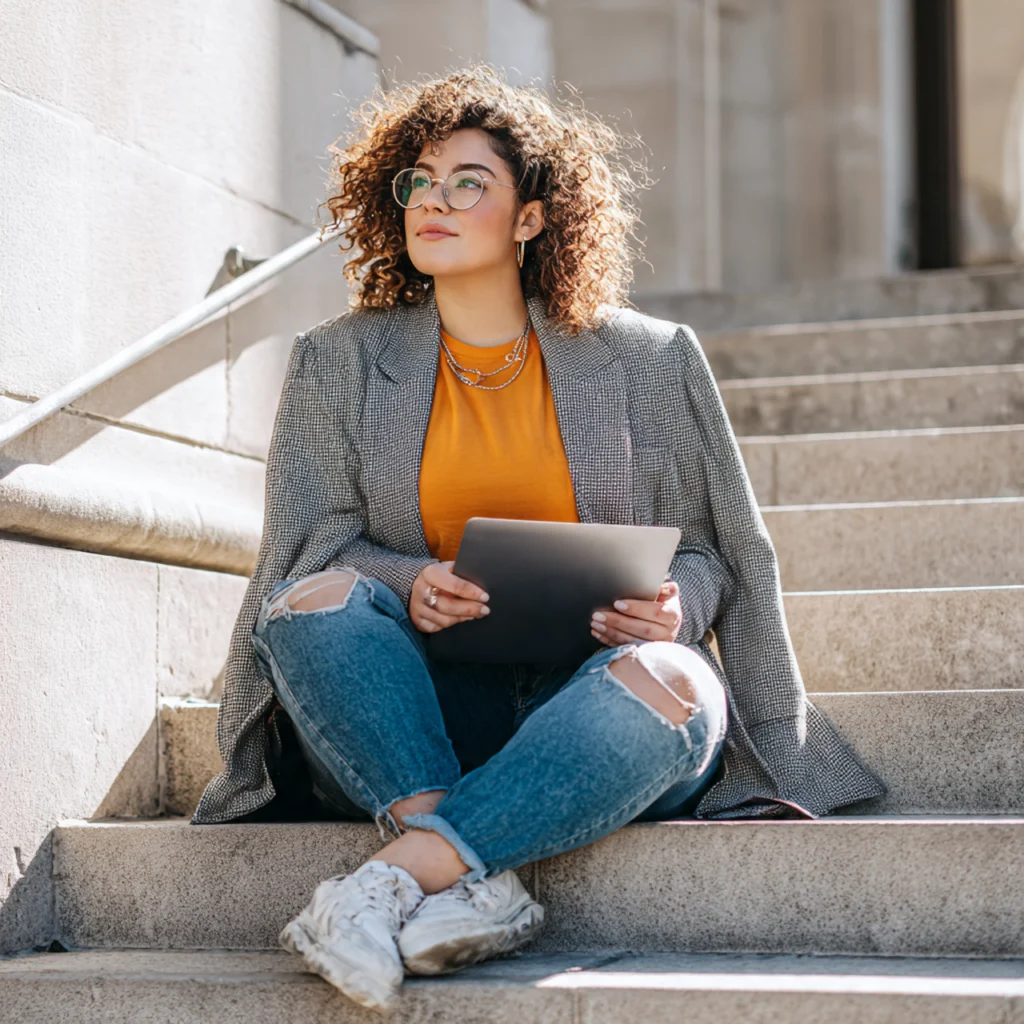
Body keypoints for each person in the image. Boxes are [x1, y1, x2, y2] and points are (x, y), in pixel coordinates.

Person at [190, 64, 887, 1012]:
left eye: (468, 182)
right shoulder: (338, 360)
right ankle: (467, 869)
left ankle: (392, 880)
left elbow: (712, 550)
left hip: (594, 710)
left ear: (530, 218)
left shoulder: (646, 359)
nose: (433, 200)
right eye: (419, 181)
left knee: (681, 679)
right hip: (416, 711)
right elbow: (315, 547)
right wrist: (409, 580)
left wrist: (677, 603)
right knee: (310, 604)